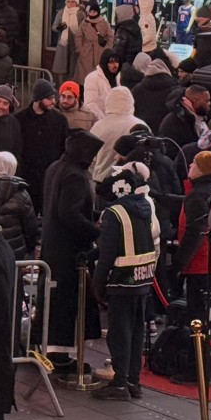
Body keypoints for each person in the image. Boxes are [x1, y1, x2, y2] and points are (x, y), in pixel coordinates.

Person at [91, 166, 159, 401]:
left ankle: (119, 384)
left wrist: (97, 283)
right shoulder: (145, 206)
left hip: (122, 280)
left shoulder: (114, 213)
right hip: (142, 277)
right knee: (136, 332)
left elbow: (108, 252)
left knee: (119, 333)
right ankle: (133, 381)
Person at [40, 131, 103, 372]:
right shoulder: (75, 176)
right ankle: (61, 355)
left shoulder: (55, 167)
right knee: (67, 305)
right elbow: (70, 213)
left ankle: (52, 350)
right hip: (70, 250)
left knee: (54, 302)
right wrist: (96, 232)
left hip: (53, 246)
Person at [173, 150, 211, 385]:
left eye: (194, 164)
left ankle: (197, 371)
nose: (190, 167)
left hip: (202, 264)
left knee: (198, 319)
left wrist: (178, 265)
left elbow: (194, 234)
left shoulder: (198, 196)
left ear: (202, 168)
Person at [15, 78, 69, 212]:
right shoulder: (20, 119)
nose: (53, 102)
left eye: (53, 98)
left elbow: (64, 147)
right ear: (38, 99)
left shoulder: (59, 120)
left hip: (50, 176)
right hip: (27, 177)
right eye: (49, 98)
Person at [83, 49, 121, 122]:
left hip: (115, 120)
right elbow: (90, 104)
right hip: (97, 122)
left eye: (117, 62)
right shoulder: (92, 78)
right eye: (111, 62)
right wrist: (104, 120)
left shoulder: (117, 76)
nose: (115, 65)